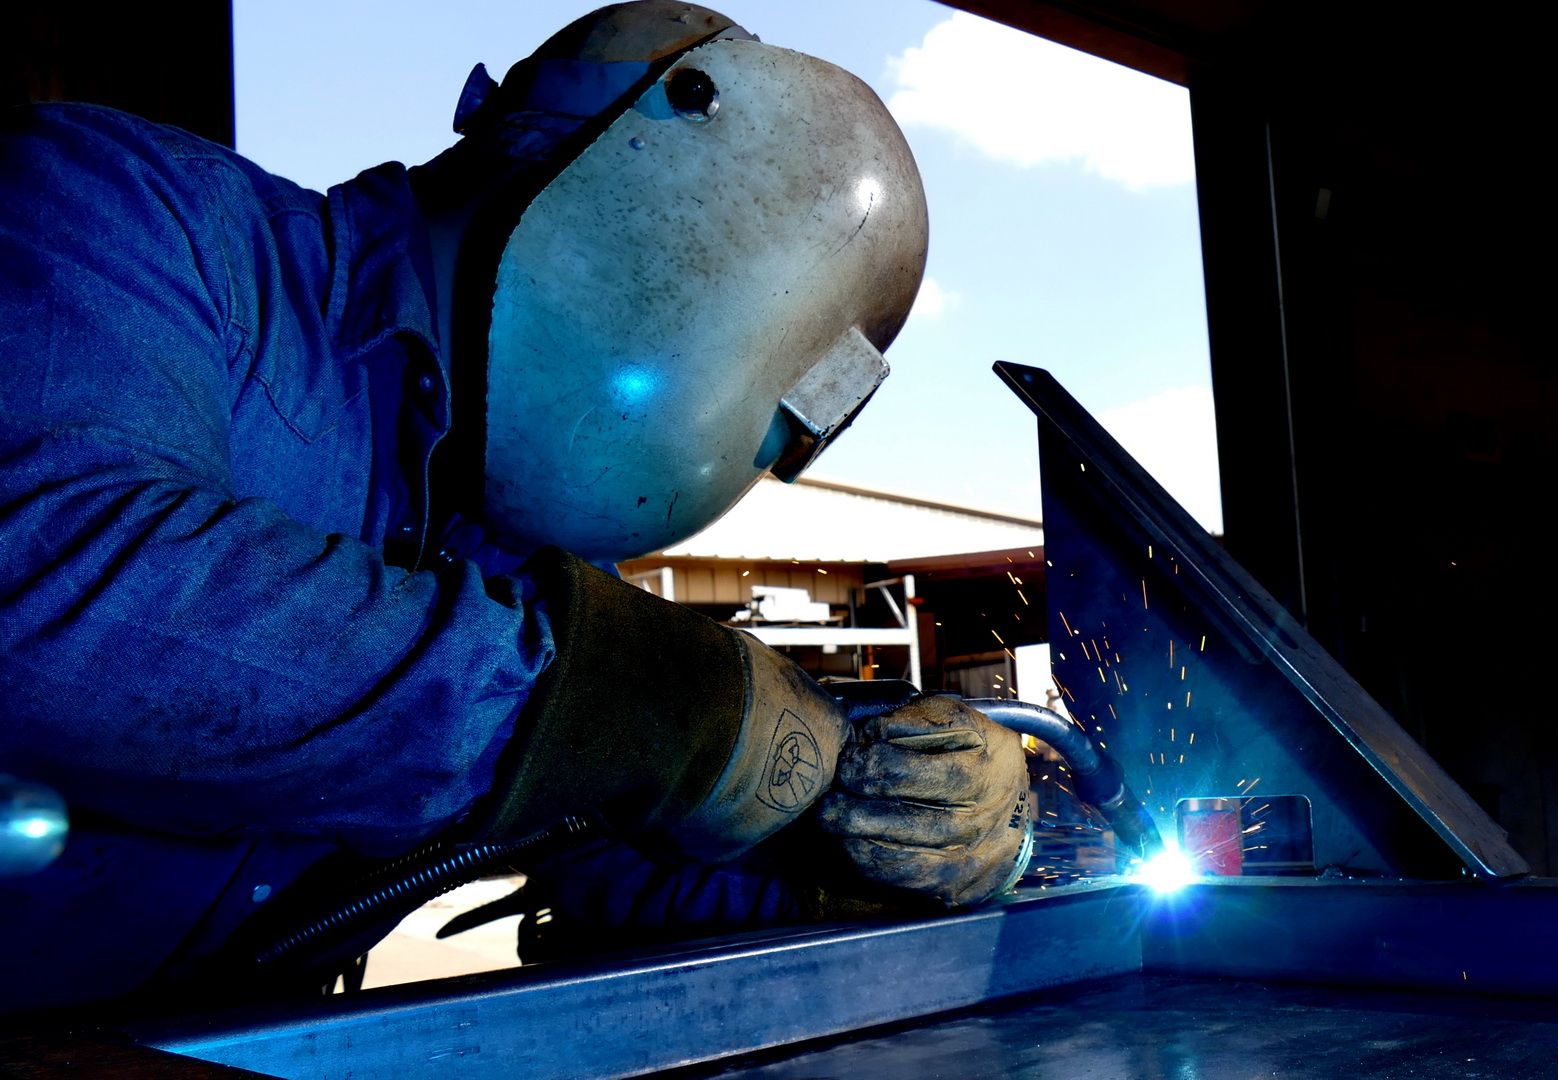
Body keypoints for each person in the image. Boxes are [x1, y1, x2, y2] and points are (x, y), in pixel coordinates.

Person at [0, 1, 1032, 1013]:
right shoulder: (127, 208)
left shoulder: (524, 554)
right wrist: (640, 710)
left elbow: (612, 859)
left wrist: (871, 844)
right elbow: (55, 590)